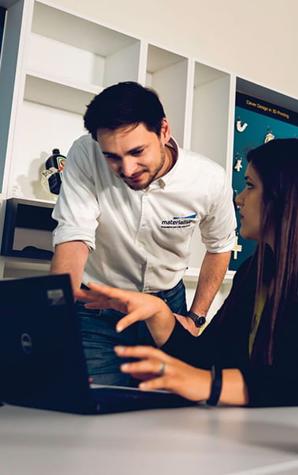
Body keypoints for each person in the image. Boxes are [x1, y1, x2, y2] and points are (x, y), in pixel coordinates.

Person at [79, 138, 298, 406]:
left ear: (286, 199)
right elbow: (208, 358)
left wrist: (207, 384)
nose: (239, 198)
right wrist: (158, 313)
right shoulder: (254, 272)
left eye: (250, 186)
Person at [51, 82, 237, 386]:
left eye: (137, 151)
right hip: (98, 304)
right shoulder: (85, 154)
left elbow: (220, 246)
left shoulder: (209, 179)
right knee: (92, 401)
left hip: (166, 309)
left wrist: (196, 317)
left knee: (167, 409)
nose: (126, 168)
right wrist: (55, 314)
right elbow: (74, 235)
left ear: (164, 131)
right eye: (112, 156)